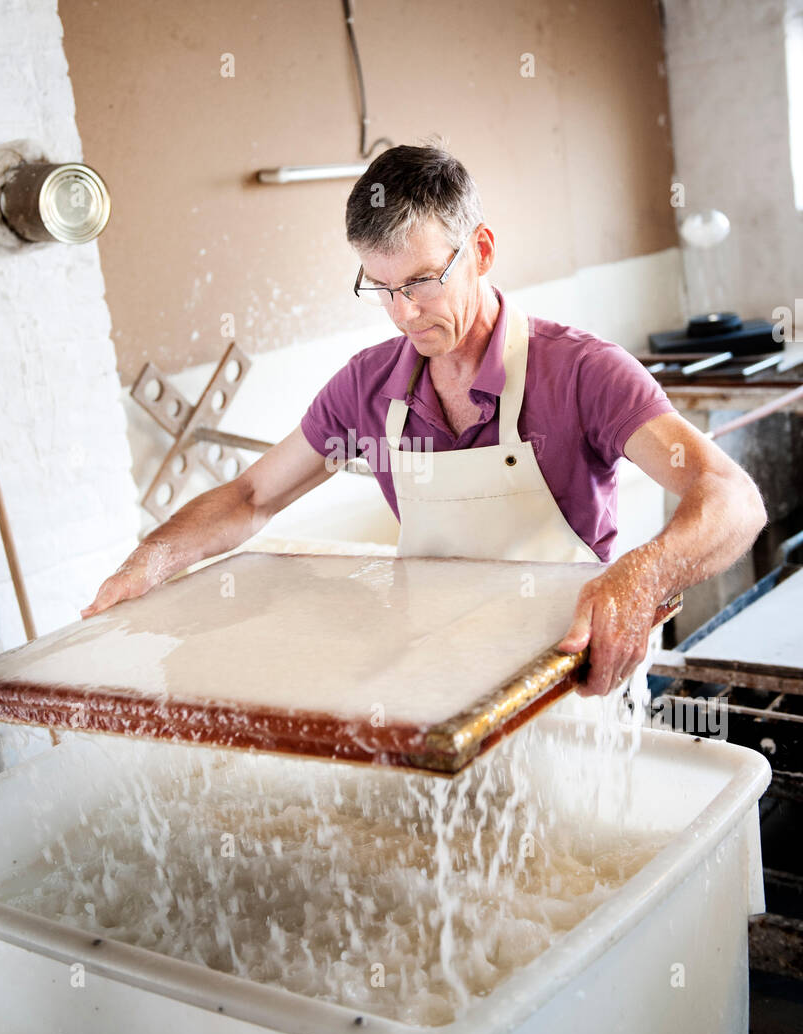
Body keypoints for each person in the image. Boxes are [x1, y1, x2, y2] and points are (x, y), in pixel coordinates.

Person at [82, 145, 766, 696]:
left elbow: (732, 498)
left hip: (571, 684)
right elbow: (252, 495)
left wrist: (640, 576)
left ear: (483, 251)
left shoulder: (583, 371)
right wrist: (152, 559)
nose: (403, 314)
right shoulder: (367, 386)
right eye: (379, 289)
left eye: (421, 282)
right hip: (438, 690)